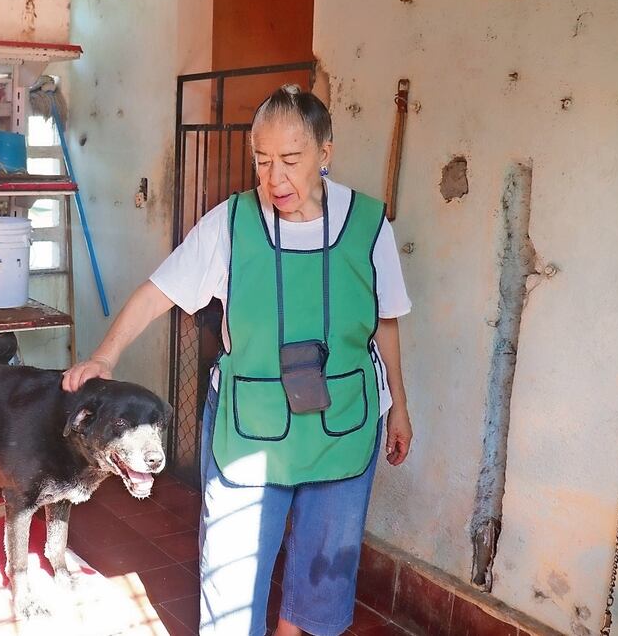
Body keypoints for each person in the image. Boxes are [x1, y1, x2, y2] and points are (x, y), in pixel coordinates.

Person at [62, 84, 413, 636]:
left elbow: (385, 317)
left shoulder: (370, 225)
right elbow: (160, 291)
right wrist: (106, 354)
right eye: (262, 161)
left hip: (344, 418)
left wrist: (400, 407)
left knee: (324, 563)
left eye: (291, 161)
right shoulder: (231, 222)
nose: (275, 179)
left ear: (326, 152)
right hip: (252, 423)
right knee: (230, 569)